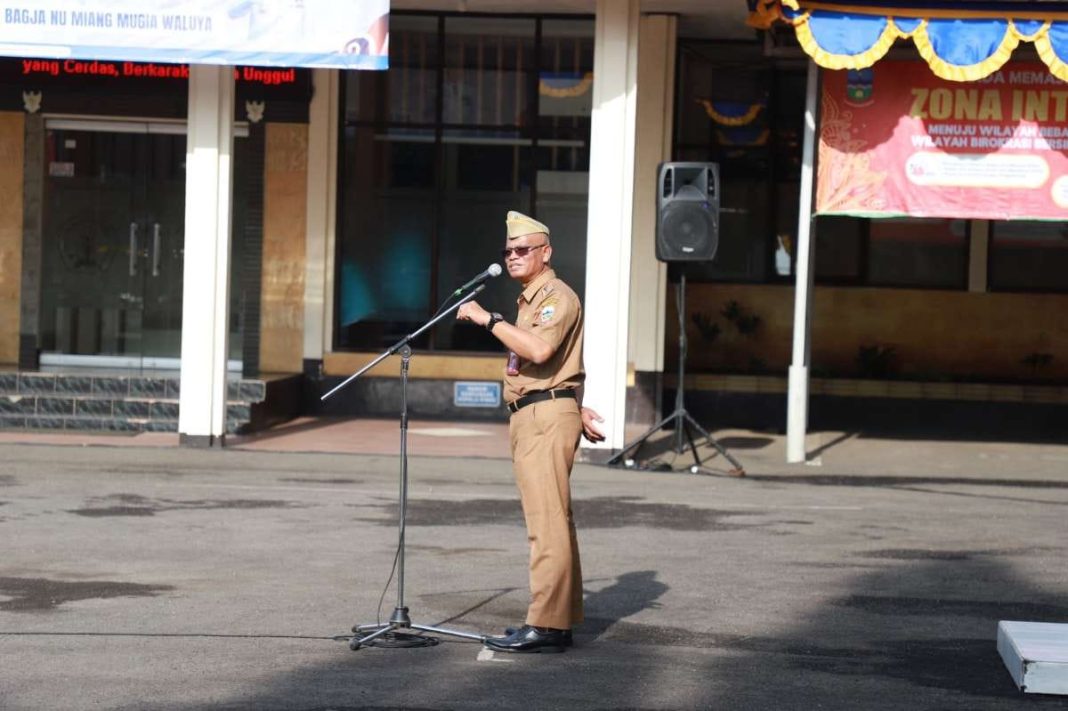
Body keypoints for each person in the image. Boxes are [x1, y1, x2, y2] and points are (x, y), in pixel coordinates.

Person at [457, 210, 605, 654]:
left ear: (546, 253)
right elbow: (558, 365)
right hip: (536, 414)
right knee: (551, 520)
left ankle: (547, 624)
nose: (514, 256)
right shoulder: (532, 299)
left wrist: (489, 320)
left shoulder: (554, 295)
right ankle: (557, 620)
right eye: (508, 250)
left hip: (543, 417)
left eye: (523, 250)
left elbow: (541, 350)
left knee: (547, 524)